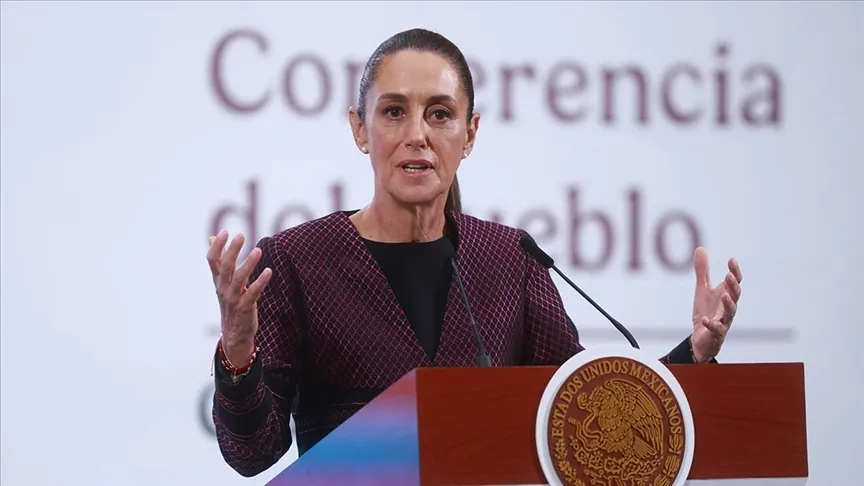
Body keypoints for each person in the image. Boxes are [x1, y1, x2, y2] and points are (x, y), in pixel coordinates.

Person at [206, 28, 743, 478]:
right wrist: (238, 353)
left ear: (469, 134)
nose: (417, 134)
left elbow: (583, 415)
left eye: (439, 114)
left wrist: (692, 356)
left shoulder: (510, 259)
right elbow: (252, 454)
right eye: (393, 112)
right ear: (359, 129)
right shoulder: (297, 260)